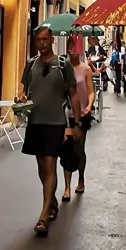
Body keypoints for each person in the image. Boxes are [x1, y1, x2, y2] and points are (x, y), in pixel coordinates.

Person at [19, 27, 83, 236]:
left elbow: (73, 95)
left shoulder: (63, 65)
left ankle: (43, 216)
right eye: (39, 40)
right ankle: (52, 202)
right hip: (35, 123)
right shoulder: (30, 65)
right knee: (42, 170)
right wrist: (20, 100)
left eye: (45, 39)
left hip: (55, 124)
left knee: (49, 166)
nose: (42, 43)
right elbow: (25, 91)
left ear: (52, 40)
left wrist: (76, 123)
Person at [61, 50, 95, 202]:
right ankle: (67, 187)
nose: (73, 53)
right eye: (70, 49)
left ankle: (81, 179)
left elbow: (90, 92)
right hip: (66, 114)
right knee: (67, 149)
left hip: (82, 114)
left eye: (75, 50)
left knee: (79, 149)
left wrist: (89, 105)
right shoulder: (63, 69)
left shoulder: (86, 69)